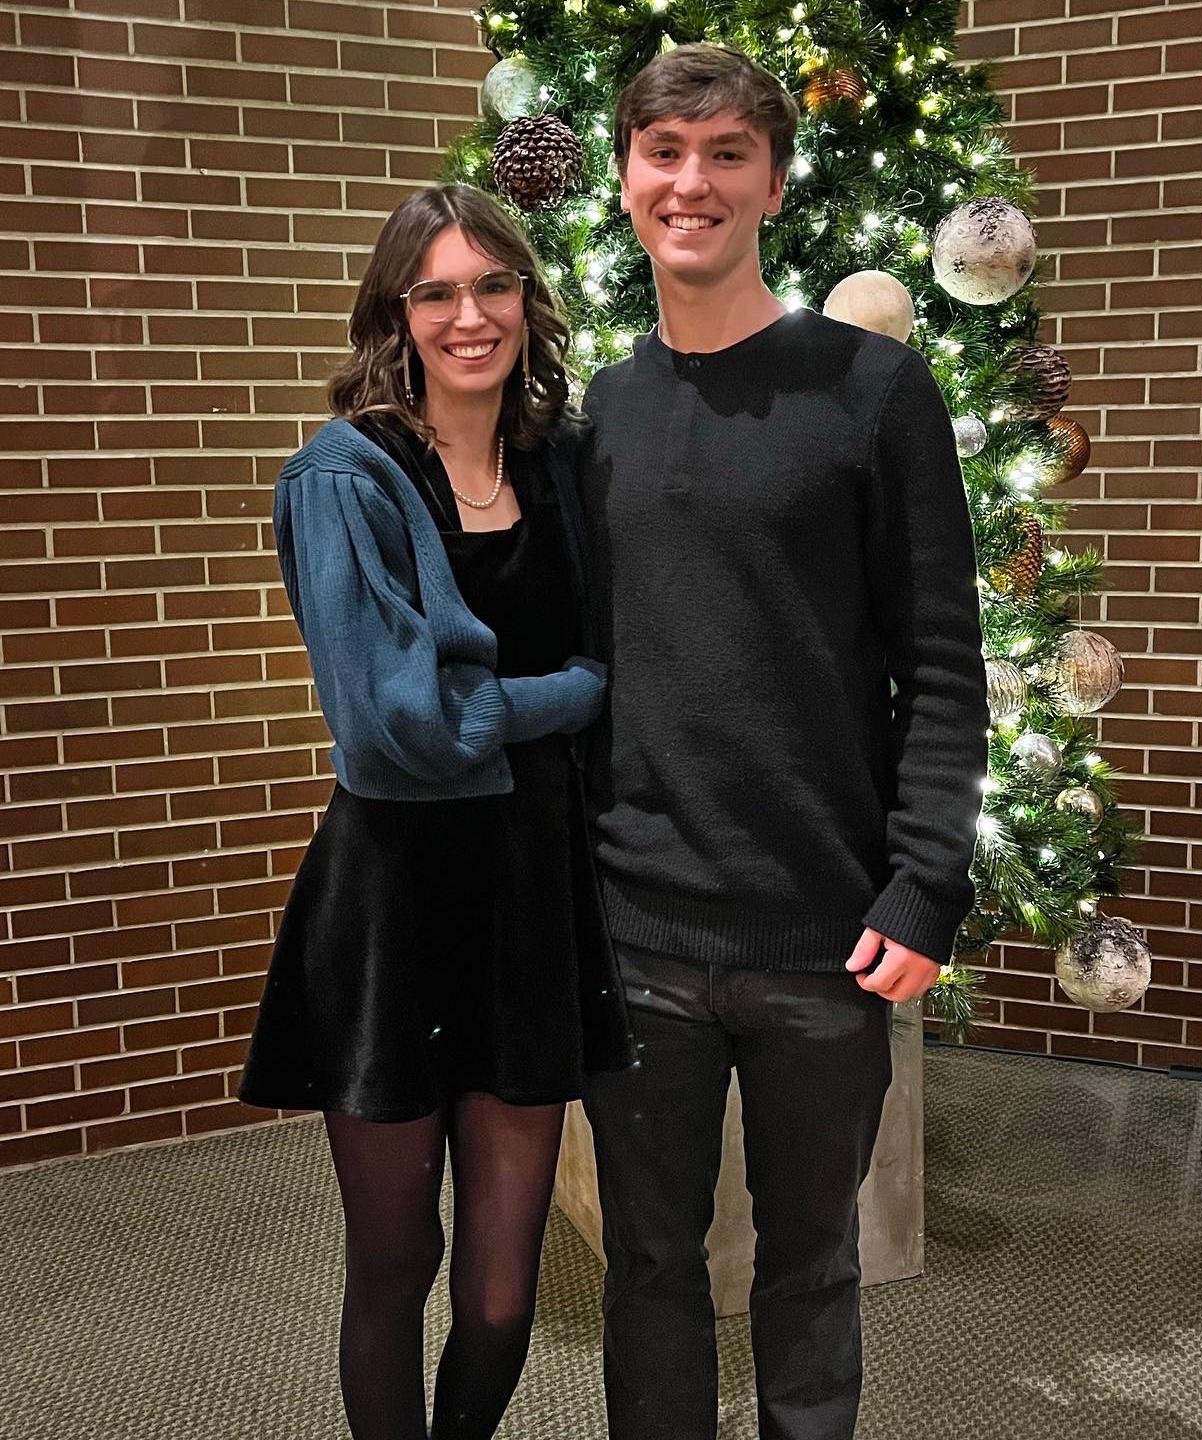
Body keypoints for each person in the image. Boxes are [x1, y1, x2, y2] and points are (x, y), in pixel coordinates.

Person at [579, 44, 988, 1440]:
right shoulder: (601, 412)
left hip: (828, 938)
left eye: (726, 153)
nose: (690, 182)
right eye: (664, 151)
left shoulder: (873, 391)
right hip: (637, 936)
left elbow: (943, 663)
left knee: (811, 1271)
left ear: (774, 182)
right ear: (626, 178)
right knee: (649, 1270)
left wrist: (926, 882)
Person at [239, 183, 631, 1440]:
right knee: (397, 1261)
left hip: (528, 900)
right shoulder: (342, 477)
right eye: (439, 292)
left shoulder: (560, 460)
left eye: (494, 285)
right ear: (397, 314)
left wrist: (521, 702)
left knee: (506, 1295)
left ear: (526, 298)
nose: (472, 316)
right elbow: (398, 730)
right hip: (393, 905)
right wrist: (569, 694)